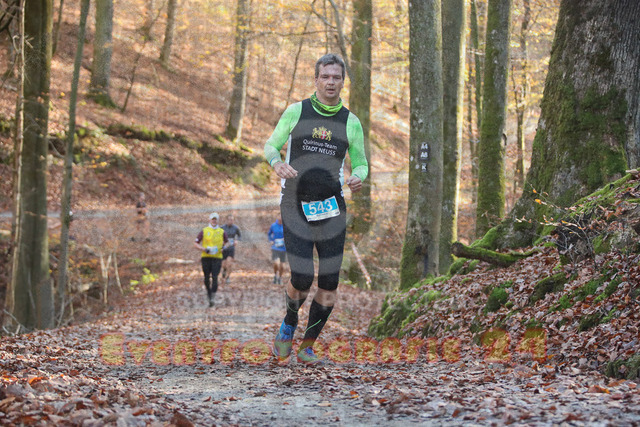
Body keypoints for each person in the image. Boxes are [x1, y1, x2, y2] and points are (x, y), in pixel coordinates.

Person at [263, 54, 368, 364]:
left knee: (330, 282)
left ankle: (307, 346)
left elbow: (361, 162)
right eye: (325, 77)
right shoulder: (296, 111)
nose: (330, 82)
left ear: (343, 81)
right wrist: (277, 163)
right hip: (295, 201)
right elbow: (271, 145)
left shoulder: (351, 122)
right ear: (316, 79)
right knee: (302, 275)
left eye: (336, 77)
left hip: (331, 206)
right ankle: (289, 323)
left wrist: (358, 176)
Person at [194, 212, 228, 307]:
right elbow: (195, 243)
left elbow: (227, 242)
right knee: (206, 277)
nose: (214, 221)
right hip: (206, 257)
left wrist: (224, 248)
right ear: (209, 220)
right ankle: (208, 293)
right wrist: (204, 249)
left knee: (215, 277)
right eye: (212, 219)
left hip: (217, 257)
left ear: (218, 221)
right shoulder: (204, 231)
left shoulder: (222, 231)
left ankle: (212, 296)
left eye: (215, 219)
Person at [221, 214, 241, 284]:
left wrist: (236, 240)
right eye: (229, 220)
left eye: (232, 220)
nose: (230, 221)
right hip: (224, 248)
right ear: (226, 220)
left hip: (231, 247)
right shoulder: (222, 228)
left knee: (229, 263)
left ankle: (228, 277)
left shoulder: (236, 228)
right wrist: (221, 241)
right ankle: (224, 270)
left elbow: (239, 236)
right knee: (224, 264)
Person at [268, 214, 287, 285]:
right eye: (279, 216)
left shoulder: (286, 226)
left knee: (282, 265)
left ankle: (280, 278)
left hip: (283, 248)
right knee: (276, 263)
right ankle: (275, 275)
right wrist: (271, 240)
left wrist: (286, 239)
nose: (280, 218)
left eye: (282, 216)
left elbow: (290, 235)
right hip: (275, 247)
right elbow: (269, 234)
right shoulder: (273, 225)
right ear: (277, 217)